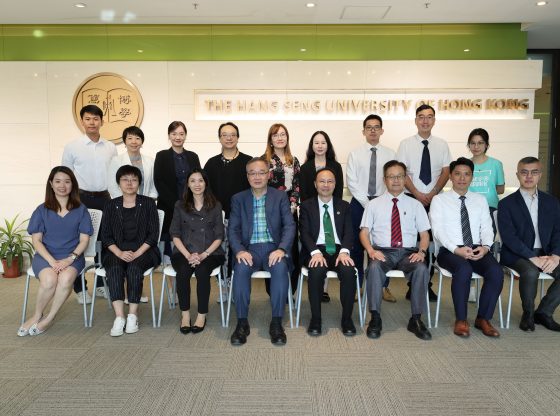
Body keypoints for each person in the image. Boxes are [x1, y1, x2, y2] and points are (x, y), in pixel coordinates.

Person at [430, 157, 503, 338]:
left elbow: (487, 227)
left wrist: (485, 247)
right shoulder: (439, 200)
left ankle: (483, 318)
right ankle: (461, 320)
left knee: (496, 271)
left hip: (477, 248)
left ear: (472, 177)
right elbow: (438, 231)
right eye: (457, 174)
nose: (462, 178)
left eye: (467, 174)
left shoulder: (480, 200)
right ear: (451, 177)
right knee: (463, 269)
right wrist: (456, 249)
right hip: (449, 251)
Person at [360, 160, 432, 340]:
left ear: (405, 178)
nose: (396, 180)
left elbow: (424, 234)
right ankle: (375, 317)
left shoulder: (415, 204)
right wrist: (370, 250)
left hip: (408, 252)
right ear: (384, 180)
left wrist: (421, 252)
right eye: (391, 177)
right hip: (382, 251)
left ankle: (416, 319)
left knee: (422, 269)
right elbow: (364, 232)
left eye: (400, 176)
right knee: (375, 268)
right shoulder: (373, 204)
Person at [228, 157, 296, 346]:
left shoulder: (280, 196)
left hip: (273, 249)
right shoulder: (238, 199)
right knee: (240, 270)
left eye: (261, 172)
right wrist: (240, 251)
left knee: (280, 269)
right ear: (247, 176)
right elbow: (232, 229)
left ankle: (276, 322)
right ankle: (242, 323)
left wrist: (282, 249)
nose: (257, 177)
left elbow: (289, 226)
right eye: (252, 173)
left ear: (268, 174)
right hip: (249, 250)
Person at [17, 166, 92, 336]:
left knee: (65, 279)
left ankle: (49, 318)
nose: (62, 185)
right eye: (58, 181)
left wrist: (69, 259)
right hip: (45, 256)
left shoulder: (81, 210)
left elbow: (84, 240)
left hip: (73, 256)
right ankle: (37, 314)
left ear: (73, 185)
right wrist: (51, 261)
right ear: (51, 184)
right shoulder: (41, 210)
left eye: (67, 181)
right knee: (50, 280)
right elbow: (36, 240)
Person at [62, 104, 117, 304]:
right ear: (81, 121)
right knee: (79, 243)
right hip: (80, 199)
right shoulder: (72, 147)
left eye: (96, 119)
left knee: (103, 242)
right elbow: (65, 177)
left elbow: (114, 175)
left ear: (102, 121)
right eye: (88, 118)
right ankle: (80, 288)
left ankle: (101, 285)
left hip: (104, 198)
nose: (92, 122)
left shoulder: (110, 147)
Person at [397, 104, 452, 301]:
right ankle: (413, 285)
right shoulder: (405, 144)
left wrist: (434, 192)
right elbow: (402, 172)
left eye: (429, 117)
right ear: (415, 120)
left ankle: (426, 285)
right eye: (421, 117)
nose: (425, 121)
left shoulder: (442, 144)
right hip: (412, 198)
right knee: (412, 242)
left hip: (436, 200)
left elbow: (446, 171)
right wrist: (418, 194)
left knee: (430, 243)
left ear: (434, 121)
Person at [498, 156, 560, 332]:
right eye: (524, 172)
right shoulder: (506, 204)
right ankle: (529, 313)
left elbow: (558, 232)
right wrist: (533, 257)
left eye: (534, 172)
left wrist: (556, 256)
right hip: (517, 254)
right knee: (531, 272)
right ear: (517, 175)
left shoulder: (552, 202)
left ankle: (545, 312)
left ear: (540, 175)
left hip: (547, 252)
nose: (529, 177)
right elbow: (509, 237)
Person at [100, 165, 161, 336]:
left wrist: (138, 253)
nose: (129, 183)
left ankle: (132, 314)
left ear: (139, 183)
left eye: (134, 180)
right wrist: (119, 253)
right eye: (125, 179)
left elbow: (153, 234)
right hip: (116, 251)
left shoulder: (148, 203)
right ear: (118, 183)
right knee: (114, 269)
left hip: (144, 251)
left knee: (134, 268)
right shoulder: (111, 205)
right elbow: (105, 236)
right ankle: (119, 316)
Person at [299, 168, 356, 336]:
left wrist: (344, 251)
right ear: (315, 184)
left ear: (335, 184)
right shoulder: (307, 206)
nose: (326, 185)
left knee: (348, 272)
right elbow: (305, 232)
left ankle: (347, 319)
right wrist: (315, 252)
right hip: (316, 250)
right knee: (316, 272)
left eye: (330, 181)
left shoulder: (344, 206)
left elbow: (349, 232)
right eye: (322, 181)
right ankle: (316, 319)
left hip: (339, 250)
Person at [169, 169, 225, 334]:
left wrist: (203, 255)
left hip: (210, 252)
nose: (197, 184)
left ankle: (201, 315)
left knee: (202, 271)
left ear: (206, 183)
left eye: (200, 180)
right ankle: (185, 315)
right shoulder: (180, 205)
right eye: (192, 181)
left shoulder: (215, 205)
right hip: (183, 252)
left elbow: (219, 236)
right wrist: (188, 255)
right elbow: (175, 234)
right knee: (183, 272)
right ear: (188, 184)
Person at [346, 114, 396, 300]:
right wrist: (368, 204)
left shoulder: (391, 154)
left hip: (384, 204)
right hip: (359, 204)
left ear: (382, 130)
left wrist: (377, 204)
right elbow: (351, 182)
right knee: (357, 246)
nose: (373, 130)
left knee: (383, 244)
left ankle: (383, 286)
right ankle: (357, 285)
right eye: (369, 127)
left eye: (376, 127)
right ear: (364, 131)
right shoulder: (355, 154)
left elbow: (393, 181)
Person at [204, 122, 252, 300]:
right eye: (225, 135)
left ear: (238, 137)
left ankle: (235, 284)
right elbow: (205, 190)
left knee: (237, 250)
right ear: (219, 138)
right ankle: (223, 286)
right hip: (217, 216)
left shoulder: (248, 161)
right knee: (220, 251)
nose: (229, 138)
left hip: (241, 216)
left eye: (232, 134)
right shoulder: (211, 163)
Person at [300, 130, 344, 303]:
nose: (320, 146)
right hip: (312, 214)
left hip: (332, 213)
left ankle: (325, 289)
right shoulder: (305, 167)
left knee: (330, 245)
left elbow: (338, 192)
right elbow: (304, 194)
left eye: (323, 142)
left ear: (328, 145)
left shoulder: (336, 166)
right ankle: (319, 287)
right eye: (316, 142)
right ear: (312, 146)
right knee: (318, 247)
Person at [467, 127, 504, 302]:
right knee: (470, 245)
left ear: (487, 144)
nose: (476, 146)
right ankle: (471, 286)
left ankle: (486, 286)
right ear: (469, 145)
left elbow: (500, 188)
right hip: (468, 209)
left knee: (485, 247)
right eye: (473, 143)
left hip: (489, 209)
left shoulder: (496, 164)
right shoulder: (465, 165)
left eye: (480, 142)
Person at [263, 123, 300, 294]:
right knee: (271, 251)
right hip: (268, 214)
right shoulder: (264, 161)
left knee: (289, 251)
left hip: (290, 213)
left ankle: (289, 291)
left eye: (283, 134)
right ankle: (273, 292)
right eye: (276, 135)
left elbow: (297, 187)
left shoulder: (294, 161)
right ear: (271, 139)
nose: (280, 138)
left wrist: (292, 206)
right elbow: (260, 188)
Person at [154, 121, 201, 253]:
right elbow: (159, 181)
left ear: (185, 136)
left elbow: (198, 180)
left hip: (191, 205)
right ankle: (169, 264)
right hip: (169, 206)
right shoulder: (162, 156)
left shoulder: (193, 156)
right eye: (174, 134)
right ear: (169, 136)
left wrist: (190, 201)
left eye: (181, 134)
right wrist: (176, 203)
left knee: (190, 237)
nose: (178, 137)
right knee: (169, 238)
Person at [108, 126, 158, 199]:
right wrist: (125, 202)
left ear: (142, 142)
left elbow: (154, 184)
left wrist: (150, 200)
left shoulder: (150, 161)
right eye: (130, 138)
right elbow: (112, 186)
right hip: (123, 204)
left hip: (146, 203)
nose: (134, 142)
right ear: (125, 141)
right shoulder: (116, 161)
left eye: (137, 138)